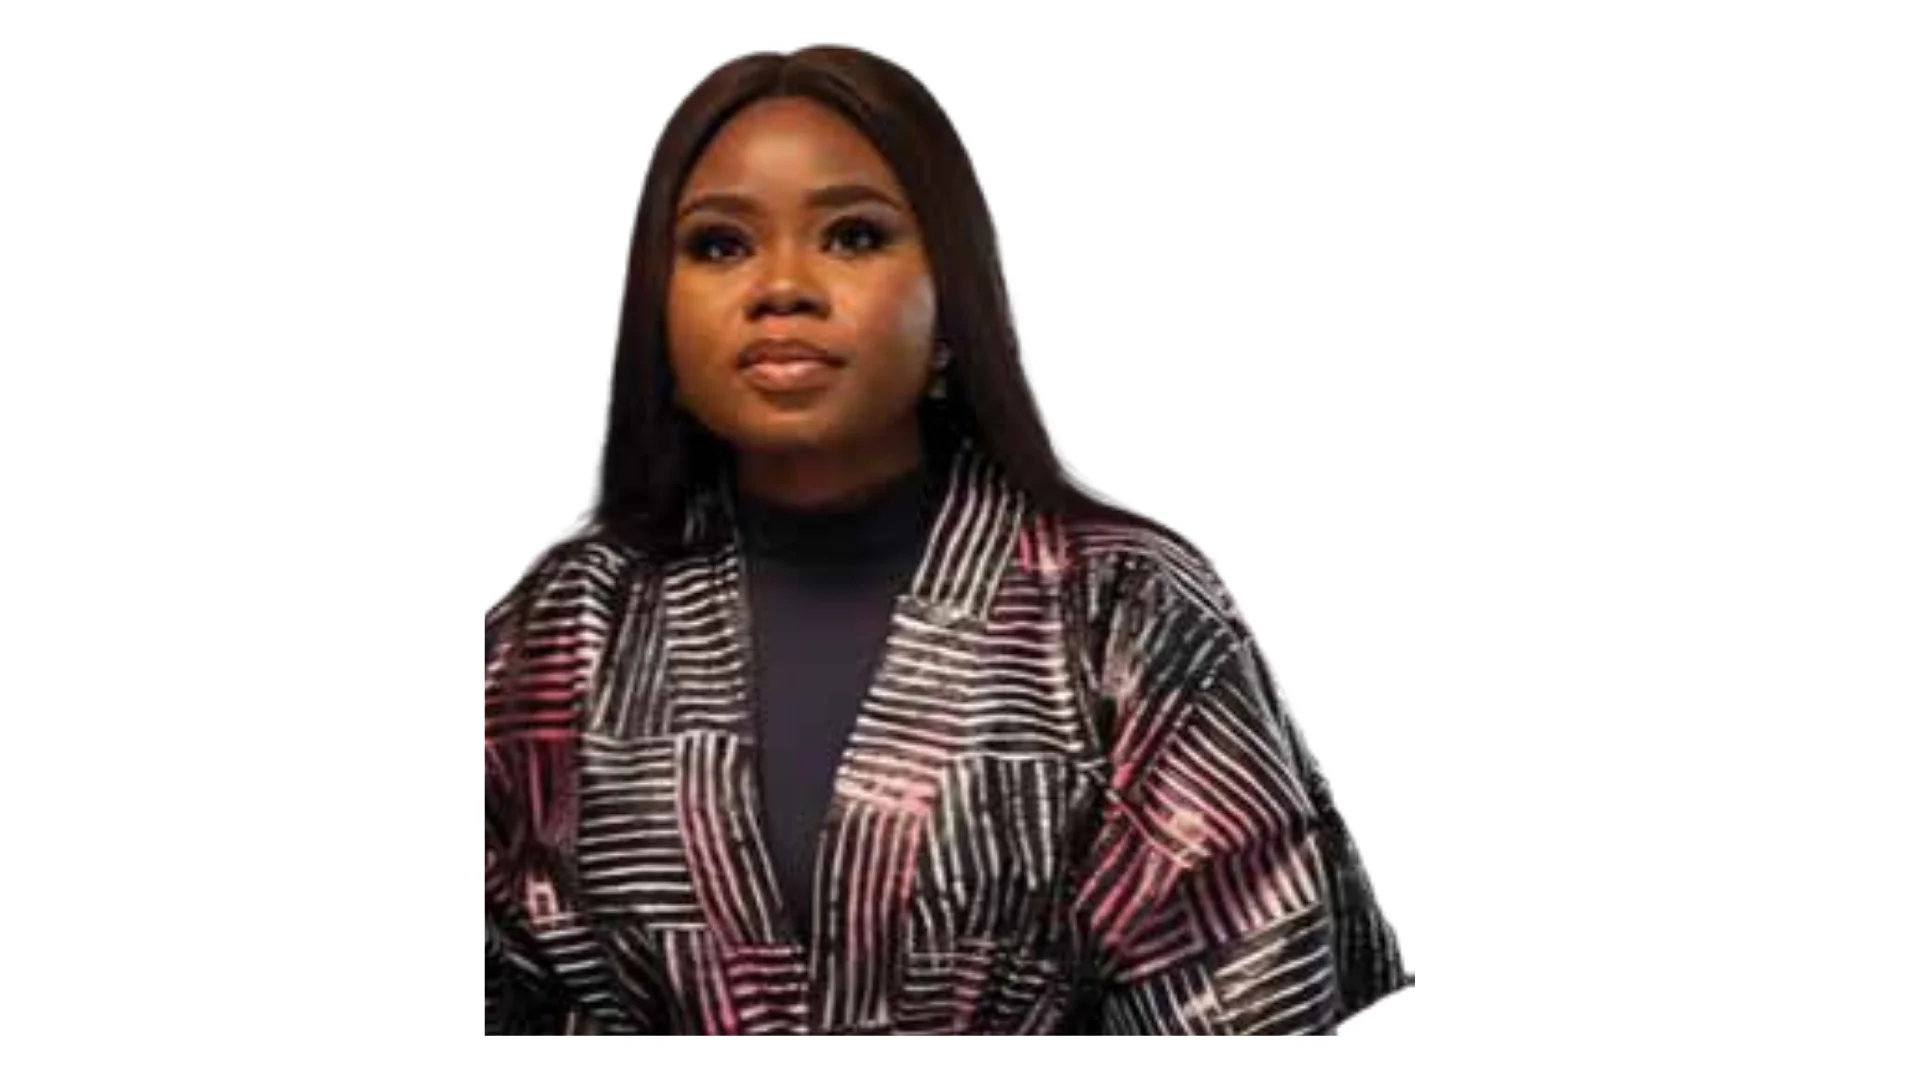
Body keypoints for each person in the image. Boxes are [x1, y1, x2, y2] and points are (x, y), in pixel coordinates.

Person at [485, 44, 1412, 1035]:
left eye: (852, 236)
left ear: (951, 303)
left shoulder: (1119, 610)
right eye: (719, 245)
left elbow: (1243, 991)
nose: (782, 286)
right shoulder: (564, 632)